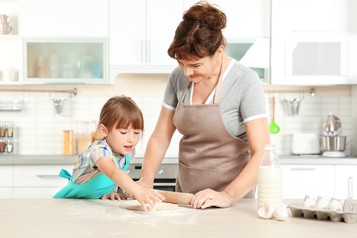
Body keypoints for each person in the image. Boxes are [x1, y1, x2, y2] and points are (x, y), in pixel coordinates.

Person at [137, 1, 270, 209]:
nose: (187, 73)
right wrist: (145, 181)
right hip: (185, 200)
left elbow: (262, 154)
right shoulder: (177, 78)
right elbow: (161, 137)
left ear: (218, 52)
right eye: (181, 63)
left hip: (232, 204)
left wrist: (226, 196)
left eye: (195, 65)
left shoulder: (245, 81)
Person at [54, 96, 164, 211]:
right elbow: (112, 172)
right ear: (104, 130)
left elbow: (118, 170)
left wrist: (112, 190)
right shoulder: (98, 151)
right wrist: (138, 191)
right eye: (123, 132)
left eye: (136, 132)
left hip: (90, 205)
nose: (131, 139)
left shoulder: (126, 150)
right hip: (68, 203)